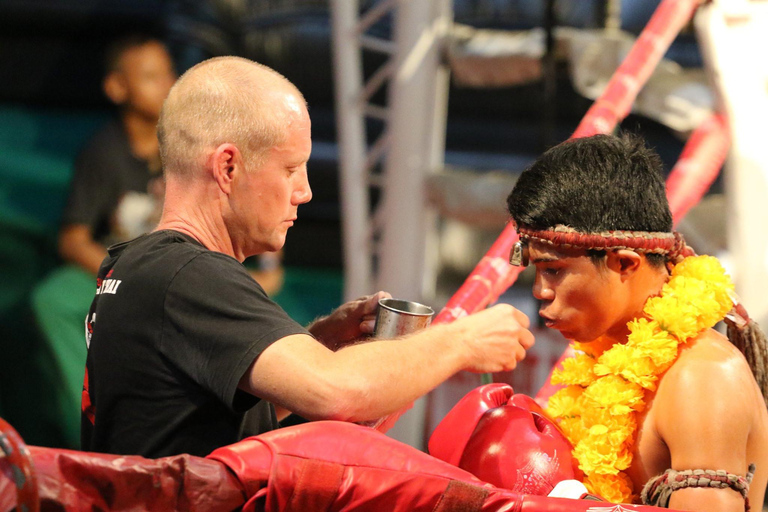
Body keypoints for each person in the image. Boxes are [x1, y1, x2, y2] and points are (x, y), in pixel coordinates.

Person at [80, 56, 535, 459]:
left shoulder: (136, 263)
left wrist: (318, 343)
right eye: (290, 169)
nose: (305, 192)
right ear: (227, 167)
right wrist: (462, 341)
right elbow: (338, 391)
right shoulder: (189, 275)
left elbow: (191, 420)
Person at [499, 133, 768, 511]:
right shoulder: (608, 359)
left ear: (624, 262)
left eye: (555, 270)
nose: (541, 292)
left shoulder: (701, 378)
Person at [59, 34, 176, 273]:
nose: (167, 85)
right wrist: (126, 278)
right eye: (151, 77)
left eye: (169, 73)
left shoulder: (191, 145)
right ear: (117, 87)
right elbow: (73, 241)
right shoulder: (103, 151)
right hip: (121, 273)